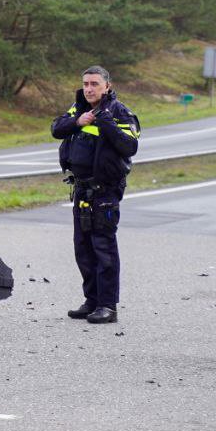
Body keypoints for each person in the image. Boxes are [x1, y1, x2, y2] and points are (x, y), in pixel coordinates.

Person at [50, 66, 140, 324]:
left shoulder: (119, 112)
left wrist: (106, 122)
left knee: (103, 248)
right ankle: (91, 301)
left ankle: (107, 306)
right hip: (81, 189)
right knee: (83, 248)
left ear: (107, 86)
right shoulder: (78, 108)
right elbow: (56, 128)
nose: (89, 89)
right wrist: (78, 121)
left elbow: (130, 146)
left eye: (94, 84)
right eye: (86, 84)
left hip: (105, 191)